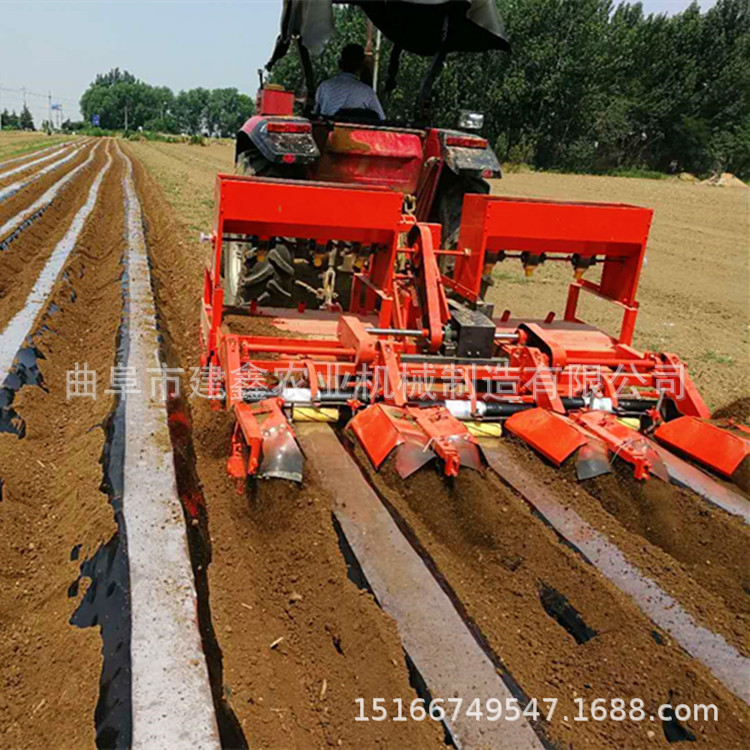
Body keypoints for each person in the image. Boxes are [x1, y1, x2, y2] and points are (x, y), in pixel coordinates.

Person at [313, 43, 385, 121]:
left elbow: (315, 114)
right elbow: (382, 120)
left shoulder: (324, 86)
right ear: (362, 66)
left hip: (328, 127)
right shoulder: (367, 92)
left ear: (340, 64)